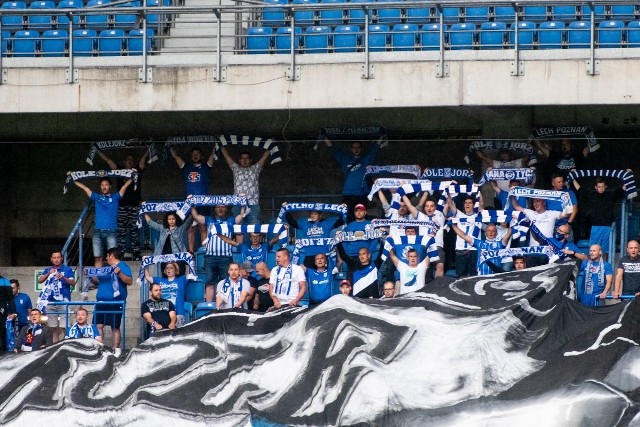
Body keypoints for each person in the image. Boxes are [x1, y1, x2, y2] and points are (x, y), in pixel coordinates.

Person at [98, 150, 149, 260]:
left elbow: (142, 161)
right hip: (121, 206)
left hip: (134, 206)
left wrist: (147, 151)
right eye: (128, 160)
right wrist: (98, 151)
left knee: (134, 230)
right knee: (121, 230)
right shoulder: (120, 171)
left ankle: (136, 253)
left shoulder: (137, 172)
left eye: (132, 160)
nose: (130, 161)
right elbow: (109, 161)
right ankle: (120, 253)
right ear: (124, 161)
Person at [73, 176, 133, 266]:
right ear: (100, 186)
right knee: (98, 258)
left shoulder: (115, 197)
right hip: (97, 232)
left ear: (110, 186)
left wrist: (133, 176)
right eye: (102, 185)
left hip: (111, 232)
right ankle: (98, 279)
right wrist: (73, 179)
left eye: (106, 185)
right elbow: (85, 188)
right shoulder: (96, 197)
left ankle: (114, 279)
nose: (104, 187)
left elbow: (124, 187)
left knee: (113, 257)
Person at [191, 204, 244, 302]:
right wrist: (192, 204)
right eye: (218, 207)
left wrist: (243, 203)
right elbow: (196, 216)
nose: (220, 209)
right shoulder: (209, 220)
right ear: (215, 209)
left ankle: (225, 304)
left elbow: (241, 215)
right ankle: (209, 306)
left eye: (223, 207)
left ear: (226, 209)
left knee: (226, 282)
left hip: (226, 257)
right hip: (210, 257)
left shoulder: (231, 220)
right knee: (210, 282)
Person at [324, 136, 383, 221]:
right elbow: (334, 149)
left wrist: (381, 137)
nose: (356, 149)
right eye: (354, 147)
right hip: (347, 194)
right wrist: (325, 138)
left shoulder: (365, 160)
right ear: (351, 149)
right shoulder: (345, 160)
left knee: (361, 216)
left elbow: (374, 149)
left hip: (361, 194)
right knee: (346, 216)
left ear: (361, 149)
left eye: (358, 147)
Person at [170, 146, 216, 253]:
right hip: (189, 203)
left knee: (203, 227)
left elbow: (212, 156)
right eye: (193, 154)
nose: (195, 156)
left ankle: (204, 250)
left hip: (203, 203)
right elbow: (176, 157)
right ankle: (190, 252)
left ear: (202, 156)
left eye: (197, 154)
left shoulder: (206, 167)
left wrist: (215, 145)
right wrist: (170, 146)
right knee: (190, 228)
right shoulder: (187, 167)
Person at [572, 176, 626, 260]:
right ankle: (592, 267)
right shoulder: (591, 195)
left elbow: (623, 188)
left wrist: (628, 176)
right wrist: (573, 178)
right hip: (595, 227)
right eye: (599, 187)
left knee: (606, 250)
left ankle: (605, 266)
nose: (601, 188)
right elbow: (580, 189)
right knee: (593, 249)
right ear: (595, 187)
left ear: (605, 186)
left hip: (607, 227)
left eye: (603, 186)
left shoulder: (611, 195)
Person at [93, 248, 132, 351]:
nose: (106, 258)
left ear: (112, 256)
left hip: (116, 302)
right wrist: (90, 276)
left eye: (107, 256)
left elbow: (129, 281)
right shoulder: (106, 268)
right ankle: (100, 348)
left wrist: (119, 273)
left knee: (115, 326)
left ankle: (116, 350)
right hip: (101, 301)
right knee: (98, 325)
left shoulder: (123, 266)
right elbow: (97, 281)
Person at [220, 145, 271, 226]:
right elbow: (227, 156)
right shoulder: (235, 168)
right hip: (237, 203)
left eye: (247, 158)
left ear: (251, 160)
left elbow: (264, 157)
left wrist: (271, 145)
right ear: (239, 160)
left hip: (253, 204)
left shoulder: (256, 168)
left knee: (254, 227)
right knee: (237, 228)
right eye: (242, 158)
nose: (244, 160)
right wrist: (220, 145)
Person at [511, 197, 565, 267]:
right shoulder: (530, 213)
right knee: (533, 275)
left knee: (546, 275)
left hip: (547, 250)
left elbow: (566, 214)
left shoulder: (552, 213)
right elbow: (516, 206)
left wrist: (566, 199)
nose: (535, 204)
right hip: (533, 251)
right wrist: (512, 196)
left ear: (544, 202)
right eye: (534, 202)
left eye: (538, 201)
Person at [404, 194, 448, 278]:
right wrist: (402, 193)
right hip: (424, 247)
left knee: (440, 266)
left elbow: (449, 203)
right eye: (427, 206)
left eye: (431, 206)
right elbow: (409, 205)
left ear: (435, 208)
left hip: (437, 247)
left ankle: (437, 288)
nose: (429, 208)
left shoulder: (440, 217)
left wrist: (451, 189)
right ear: (424, 208)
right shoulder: (420, 217)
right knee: (424, 269)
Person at [37, 250, 76, 343]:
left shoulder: (67, 269)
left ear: (61, 258)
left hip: (64, 302)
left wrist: (62, 277)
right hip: (50, 302)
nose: (56, 259)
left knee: (64, 327)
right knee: (53, 328)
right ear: (51, 259)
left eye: (58, 257)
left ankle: (63, 347)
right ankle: (55, 348)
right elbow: (40, 280)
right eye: (54, 258)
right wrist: (48, 274)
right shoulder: (48, 269)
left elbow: (73, 282)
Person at [448, 194, 483, 277]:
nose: (467, 204)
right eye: (466, 203)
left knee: (473, 274)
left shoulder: (478, 216)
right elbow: (450, 204)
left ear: (473, 205)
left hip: (473, 249)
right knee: (461, 275)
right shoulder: (459, 215)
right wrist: (448, 192)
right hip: (460, 249)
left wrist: (479, 190)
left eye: (470, 203)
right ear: (463, 205)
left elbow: (481, 204)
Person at [144, 261, 187, 327]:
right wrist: (146, 264)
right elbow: (147, 277)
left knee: (178, 334)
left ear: (175, 270)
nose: (169, 269)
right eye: (167, 268)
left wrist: (189, 260)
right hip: (164, 313)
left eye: (171, 268)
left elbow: (190, 273)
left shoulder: (181, 279)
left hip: (178, 312)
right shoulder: (160, 280)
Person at [546, 173, 578, 238]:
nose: (561, 183)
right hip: (551, 225)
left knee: (568, 246)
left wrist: (568, 224)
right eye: (559, 182)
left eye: (562, 181)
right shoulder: (547, 194)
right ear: (553, 183)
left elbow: (575, 209)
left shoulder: (569, 192)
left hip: (566, 225)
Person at [0, 274, 15, 351]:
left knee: (2, 331)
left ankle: (2, 351)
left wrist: (13, 312)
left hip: (1, 310)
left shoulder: (5, 281)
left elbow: (10, 298)